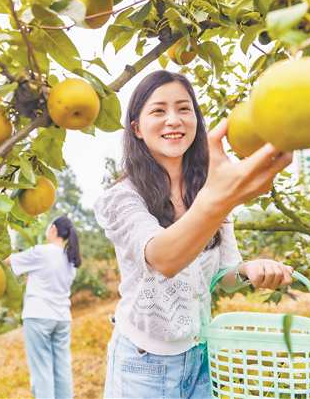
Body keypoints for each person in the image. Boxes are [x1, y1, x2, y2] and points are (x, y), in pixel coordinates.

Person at [94, 70, 295, 398]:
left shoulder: (207, 189)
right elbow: (163, 257)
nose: (173, 119)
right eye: (158, 111)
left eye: (184, 109)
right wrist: (223, 198)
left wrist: (249, 271)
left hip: (200, 357)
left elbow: (223, 275)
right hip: (143, 364)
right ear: (137, 128)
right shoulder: (122, 197)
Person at [5, 215, 81, 399]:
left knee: (42, 370)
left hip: (39, 316)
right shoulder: (70, 261)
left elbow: (9, 262)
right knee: (62, 368)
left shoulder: (42, 252)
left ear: (53, 229)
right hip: (62, 318)